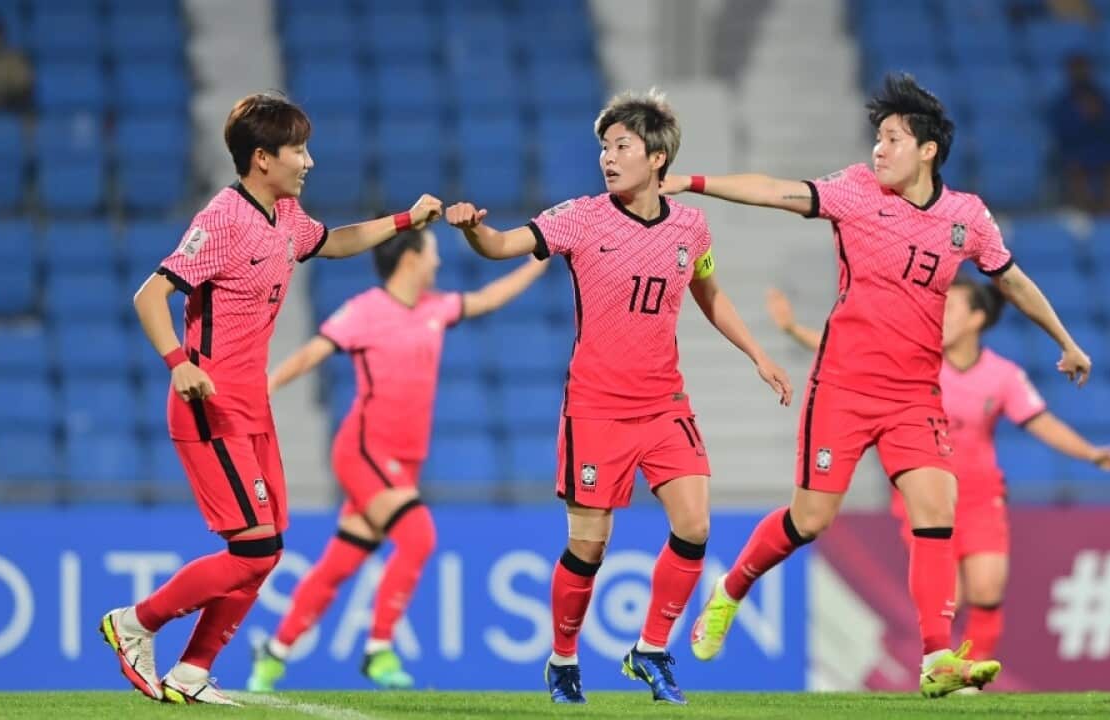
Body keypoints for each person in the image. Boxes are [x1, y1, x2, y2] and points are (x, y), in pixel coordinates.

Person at [665, 72, 1094, 698]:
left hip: (914, 396)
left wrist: (1066, 340)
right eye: (877, 138)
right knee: (810, 519)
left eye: (892, 138)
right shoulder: (856, 191)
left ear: (927, 149)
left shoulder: (966, 217)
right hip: (841, 388)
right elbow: (773, 191)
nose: (878, 149)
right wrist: (693, 182)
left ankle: (935, 658)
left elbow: (1014, 282)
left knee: (935, 507)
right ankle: (729, 592)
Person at [445, 89, 793, 705]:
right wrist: (476, 231)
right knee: (589, 546)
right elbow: (502, 247)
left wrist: (758, 354)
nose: (607, 158)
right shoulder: (580, 217)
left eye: (621, 147)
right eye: (604, 147)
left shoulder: (691, 224)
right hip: (596, 408)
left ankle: (651, 650)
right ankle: (562, 660)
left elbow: (708, 291)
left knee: (695, 524)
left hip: (665, 404)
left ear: (656, 158)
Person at [100, 92, 442, 705]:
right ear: (262, 158)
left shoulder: (286, 217)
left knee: (266, 551)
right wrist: (179, 365)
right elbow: (150, 297)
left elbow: (332, 242)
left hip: (251, 406)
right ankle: (135, 623)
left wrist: (403, 220)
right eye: (298, 150)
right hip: (209, 405)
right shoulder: (223, 220)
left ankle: (190, 672)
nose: (308, 161)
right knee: (254, 548)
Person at [765, 280, 1110, 672]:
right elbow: (853, 355)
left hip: (980, 494)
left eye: (950, 309)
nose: (938, 316)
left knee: (988, 587)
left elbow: (1042, 423)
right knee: (951, 594)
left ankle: (971, 683)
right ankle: (943, 668)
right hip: (924, 491)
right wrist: (793, 330)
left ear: (977, 319)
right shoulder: (916, 360)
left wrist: (1092, 454)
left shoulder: (1003, 376)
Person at [246, 230, 549, 692]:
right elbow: (315, 350)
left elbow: (488, 298)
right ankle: (379, 648)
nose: (438, 263)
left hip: (403, 463)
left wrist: (539, 259)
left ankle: (275, 651)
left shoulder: (434, 308)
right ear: (410, 258)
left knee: (341, 563)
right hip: (365, 452)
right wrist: (266, 388)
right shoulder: (366, 310)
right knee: (418, 536)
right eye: (432, 252)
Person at [1049, 53, 1110, 214]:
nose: (1080, 74)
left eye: (1083, 69)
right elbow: (1061, 132)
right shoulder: (1063, 102)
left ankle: (1108, 216)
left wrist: (1097, 117)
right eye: (1076, 70)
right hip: (1075, 153)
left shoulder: (1103, 99)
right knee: (1076, 172)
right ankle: (1088, 216)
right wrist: (1080, 119)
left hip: (1104, 151)